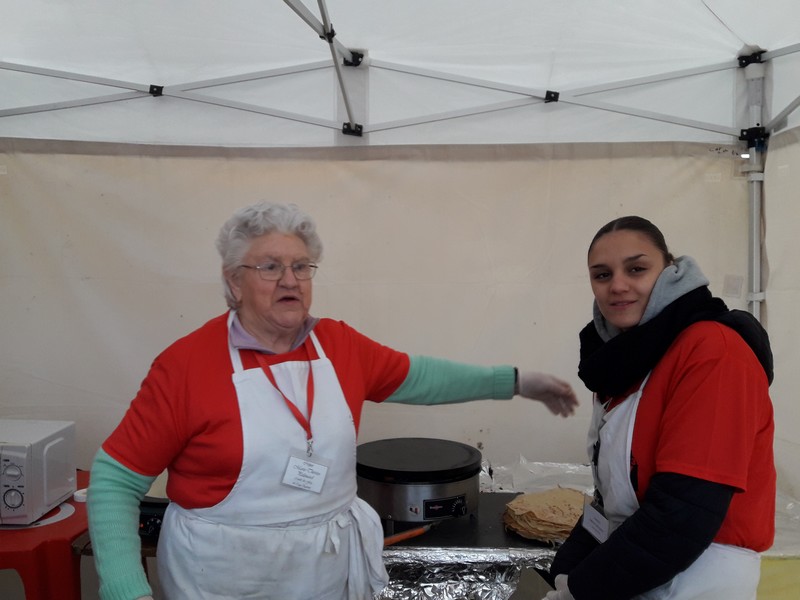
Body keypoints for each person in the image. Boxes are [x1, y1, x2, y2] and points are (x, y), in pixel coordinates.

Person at [87, 201, 579, 600]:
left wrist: (515, 381)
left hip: (321, 571)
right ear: (233, 281)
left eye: (301, 266)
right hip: (220, 576)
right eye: (270, 267)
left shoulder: (338, 345)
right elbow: (114, 480)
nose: (290, 279)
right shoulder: (186, 365)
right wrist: (126, 590)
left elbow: (423, 376)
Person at [543, 216, 775, 600]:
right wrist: (567, 567)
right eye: (602, 275)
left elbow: (682, 516)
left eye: (636, 268)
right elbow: (611, 497)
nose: (618, 286)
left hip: (697, 579)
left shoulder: (713, 352)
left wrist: (580, 589)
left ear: (671, 270)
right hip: (637, 567)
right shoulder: (625, 362)